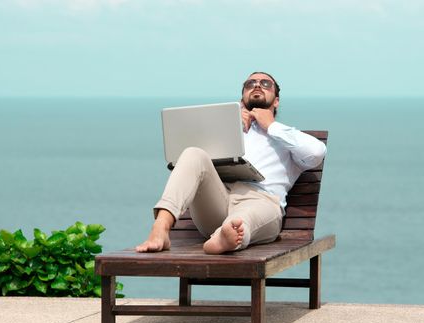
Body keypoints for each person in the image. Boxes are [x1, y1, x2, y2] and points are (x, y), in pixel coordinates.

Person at [135, 72, 327, 254]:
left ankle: (226, 237)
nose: (257, 85)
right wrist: (231, 122)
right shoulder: (225, 130)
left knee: (240, 221)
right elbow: (193, 165)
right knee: (193, 153)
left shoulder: (285, 136)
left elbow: (316, 152)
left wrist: (271, 126)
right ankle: (161, 228)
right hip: (218, 199)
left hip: (260, 201)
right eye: (250, 84)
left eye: (265, 84)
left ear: (276, 101)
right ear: (242, 98)